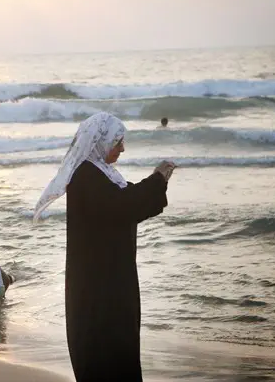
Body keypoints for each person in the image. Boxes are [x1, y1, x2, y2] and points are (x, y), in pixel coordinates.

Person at [33, 112, 175, 382]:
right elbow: (122, 206)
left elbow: (128, 203)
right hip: (98, 287)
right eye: (117, 142)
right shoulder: (86, 176)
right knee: (105, 353)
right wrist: (156, 180)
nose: (122, 148)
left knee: (119, 347)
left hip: (110, 280)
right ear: (100, 141)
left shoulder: (102, 173)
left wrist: (158, 182)